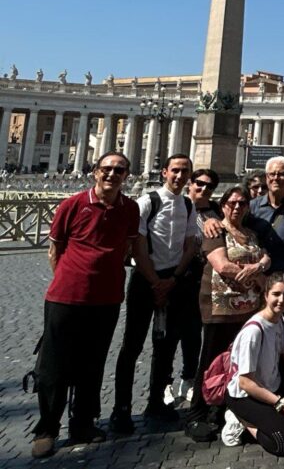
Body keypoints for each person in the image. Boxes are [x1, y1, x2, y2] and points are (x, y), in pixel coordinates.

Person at [31, 152, 140, 460]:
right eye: (107, 169)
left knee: (93, 363)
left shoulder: (130, 209)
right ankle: (47, 429)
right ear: (95, 172)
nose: (113, 174)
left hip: (107, 297)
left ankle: (82, 423)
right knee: (54, 364)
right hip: (66, 296)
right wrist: (69, 277)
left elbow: (128, 248)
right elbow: (56, 248)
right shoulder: (73, 204)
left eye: (119, 170)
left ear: (126, 175)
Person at [111, 153, 199, 434]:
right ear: (164, 172)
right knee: (132, 346)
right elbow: (138, 243)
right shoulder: (148, 200)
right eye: (175, 170)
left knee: (166, 345)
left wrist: (172, 279)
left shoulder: (187, 204)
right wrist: (154, 281)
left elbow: (189, 246)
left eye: (185, 172)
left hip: (173, 281)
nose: (179, 176)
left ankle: (155, 402)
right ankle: (121, 409)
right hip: (144, 280)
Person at [185, 185, 268, 441]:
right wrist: (254, 273)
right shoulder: (215, 230)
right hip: (219, 307)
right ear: (223, 206)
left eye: (242, 203)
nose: (236, 207)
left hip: (248, 309)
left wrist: (261, 265)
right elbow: (220, 264)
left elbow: (265, 257)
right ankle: (197, 414)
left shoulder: (250, 233)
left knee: (236, 362)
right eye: (231, 203)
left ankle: (220, 411)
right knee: (210, 361)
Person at [207, 157, 284, 310]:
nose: (276, 178)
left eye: (282, 174)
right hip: (253, 287)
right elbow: (229, 224)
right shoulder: (250, 206)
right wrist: (211, 221)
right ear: (267, 177)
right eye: (272, 174)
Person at [222, 274, 284, 455]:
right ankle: (242, 422)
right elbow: (245, 383)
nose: (282, 300)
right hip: (244, 395)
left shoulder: (281, 321)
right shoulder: (254, 332)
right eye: (276, 294)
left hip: (271, 388)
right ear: (266, 295)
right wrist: (280, 403)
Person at [167, 167, 220, 408]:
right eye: (199, 183)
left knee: (193, 334)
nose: (203, 189)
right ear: (191, 183)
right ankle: (163, 383)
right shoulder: (175, 206)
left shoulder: (216, 212)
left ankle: (189, 377)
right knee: (167, 334)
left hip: (202, 280)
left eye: (209, 186)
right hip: (174, 277)